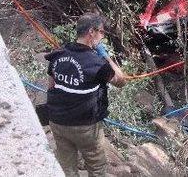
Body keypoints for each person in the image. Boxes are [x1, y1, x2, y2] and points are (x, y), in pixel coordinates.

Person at [45, 13, 128, 177]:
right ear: (92, 32)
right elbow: (121, 81)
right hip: (85, 127)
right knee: (97, 168)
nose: (102, 36)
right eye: (102, 32)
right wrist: (106, 56)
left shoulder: (58, 54)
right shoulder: (97, 63)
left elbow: (51, 86)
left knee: (66, 168)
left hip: (57, 121)